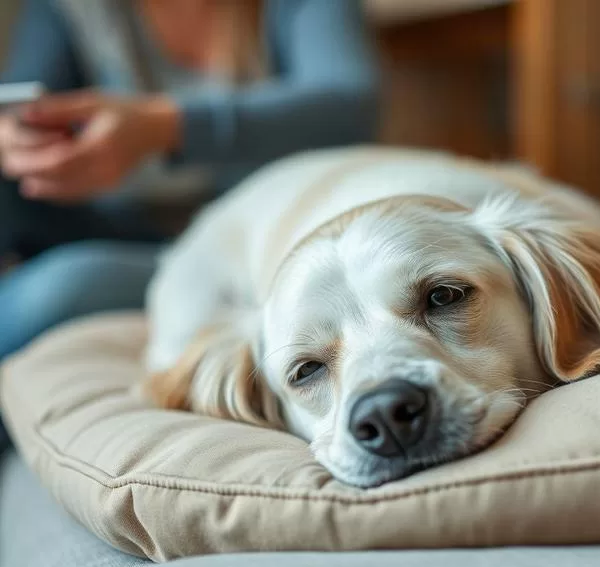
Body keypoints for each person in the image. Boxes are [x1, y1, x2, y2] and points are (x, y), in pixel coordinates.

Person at [0, 0, 379, 359]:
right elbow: (19, 101)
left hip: (234, 246)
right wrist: (12, 138)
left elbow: (348, 103)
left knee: (60, 289)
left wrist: (163, 126)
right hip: (113, 221)